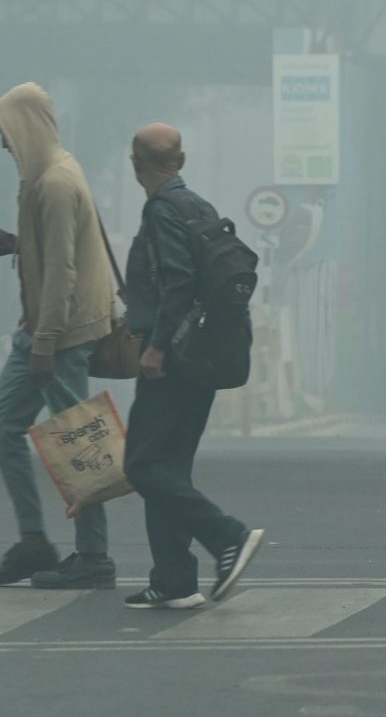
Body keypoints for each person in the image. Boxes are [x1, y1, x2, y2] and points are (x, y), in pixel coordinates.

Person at [121, 123, 264, 610]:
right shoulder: (198, 205)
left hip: (175, 357)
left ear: (135, 164)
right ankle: (175, 579)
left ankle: (227, 536)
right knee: (169, 467)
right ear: (180, 162)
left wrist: (157, 346)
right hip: (205, 352)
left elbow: (178, 282)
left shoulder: (163, 209)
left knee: (142, 464)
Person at [0, 83, 117, 590]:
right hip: (41, 331)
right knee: (6, 428)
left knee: (78, 445)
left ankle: (94, 557)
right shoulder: (41, 176)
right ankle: (34, 542)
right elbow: (49, 251)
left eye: (6, 131)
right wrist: (17, 245)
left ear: (25, 127)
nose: (2, 143)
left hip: (60, 336)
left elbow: (62, 274)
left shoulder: (54, 183)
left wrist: (45, 343)